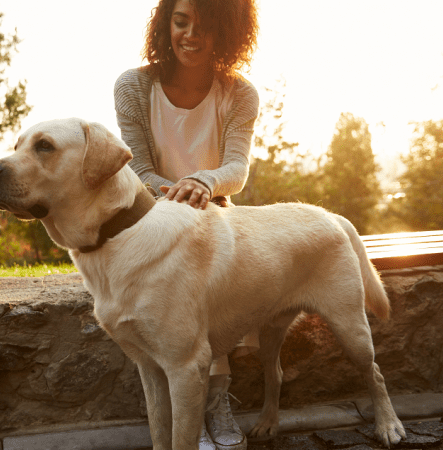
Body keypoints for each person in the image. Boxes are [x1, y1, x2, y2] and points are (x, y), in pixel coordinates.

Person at [113, 0, 259, 449]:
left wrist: (204, 182)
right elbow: (137, 171)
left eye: (205, 25)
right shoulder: (133, 86)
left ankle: (214, 401)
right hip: (151, 221)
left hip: (216, 218)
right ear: (165, 25)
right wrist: (178, 194)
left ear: (229, 33)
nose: (190, 34)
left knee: (221, 289)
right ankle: (185, 415)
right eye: (181, 21)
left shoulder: (240, 93)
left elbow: (237, 168)